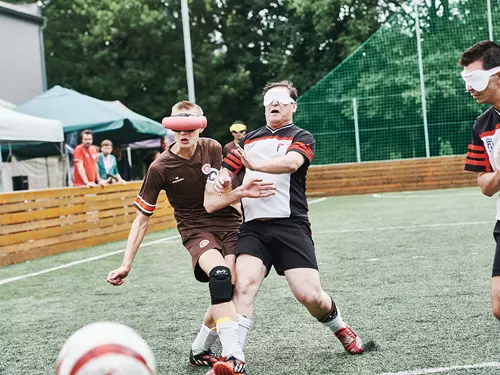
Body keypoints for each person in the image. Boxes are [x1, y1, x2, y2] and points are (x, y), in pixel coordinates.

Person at [106, 101, 275, 375]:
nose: (184, 134)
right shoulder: (160, 167)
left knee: (228, 289)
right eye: (178, 128)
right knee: (220, 276)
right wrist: (126, 264)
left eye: (190, 127)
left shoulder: (213, 148)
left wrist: (230, 188)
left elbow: (224, 185)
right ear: (171, 127)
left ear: (200, 126)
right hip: (196, 230)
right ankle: (233, 357)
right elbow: (141, 220)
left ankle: (199, 350)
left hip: (230, 224)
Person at [209, 80, 365, 372]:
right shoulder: (248, 141)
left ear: (293, 106)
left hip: (291, 226)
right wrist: (222, 178)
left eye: (281, 99)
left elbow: (292, 163)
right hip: (254, 228)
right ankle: (235, 358)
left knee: (310, 296)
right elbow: (226, 171)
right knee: (243, 285)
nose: (274, 104)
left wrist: (255, 165)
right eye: (269, 100)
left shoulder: (301, 136)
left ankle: (341, 327)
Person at [460, 40, 500, 320]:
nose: (469, 88)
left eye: (475, 79)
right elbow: (485, 186)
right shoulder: (482, 126)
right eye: (466, 80)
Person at [223, 121, 247, 188]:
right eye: (235, 132)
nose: (238, 133)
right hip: (232, 182)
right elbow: (223, 166)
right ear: (232, 132)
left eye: (241, 131)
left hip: (246, 180)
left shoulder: (249, 146)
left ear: (245, 132)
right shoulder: (227, 147)